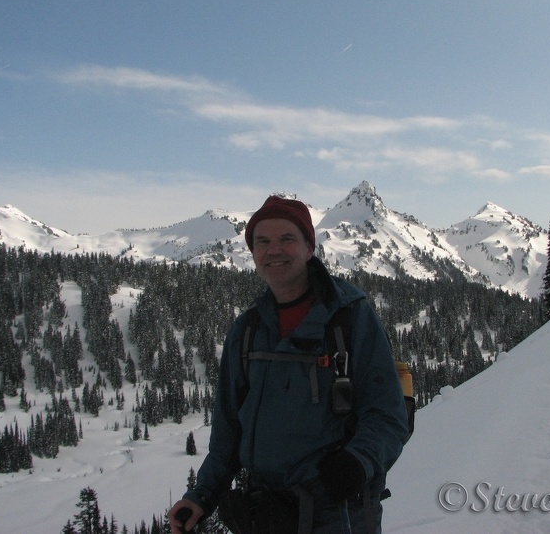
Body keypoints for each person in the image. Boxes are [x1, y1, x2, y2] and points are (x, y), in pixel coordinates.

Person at [168, 195, 408, 534]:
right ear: (253, 253)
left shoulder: (349, 319)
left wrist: (358, 462)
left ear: (309, 248)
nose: (273, 251)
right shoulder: (248, 330)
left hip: (338, 512)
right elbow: (228, 433)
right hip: (267, 511)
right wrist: (201, 495)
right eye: (262, 242)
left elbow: (388, 415)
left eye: (287, 240)